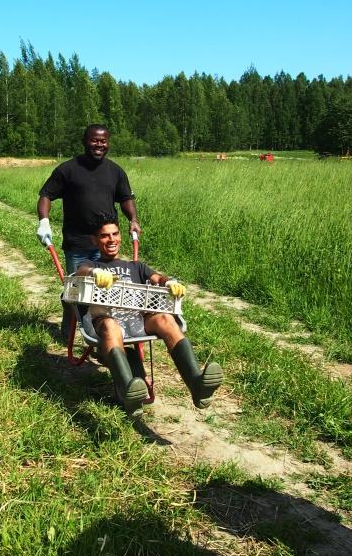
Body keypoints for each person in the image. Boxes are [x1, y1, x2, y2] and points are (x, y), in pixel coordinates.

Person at [75, 215, 223, 417]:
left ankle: (196, 384)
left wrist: (168, 282)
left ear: (120, 236)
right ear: (95, 240)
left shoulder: (136, 266)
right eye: (104, 236)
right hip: (107, 320)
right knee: (110, 326)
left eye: (115, 234)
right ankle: (129, 391)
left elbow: (157, 278)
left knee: (165, 318)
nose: (111, 240)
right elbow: (80, 272)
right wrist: (93, 273)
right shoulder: (92, 264)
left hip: (136, 319)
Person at [37, 124, 141, 336]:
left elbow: (126, 198)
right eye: (94, 140)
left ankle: (104, 334)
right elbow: (46, 195)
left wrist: (133, 219)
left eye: (103, 141)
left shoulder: (115, 171)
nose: (99, 145)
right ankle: (70, 323)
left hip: (106, 242)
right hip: (78, 243)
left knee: (109, 290)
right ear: (85, 141)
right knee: (78, 290)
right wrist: (44, 221)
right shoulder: (68, 169)